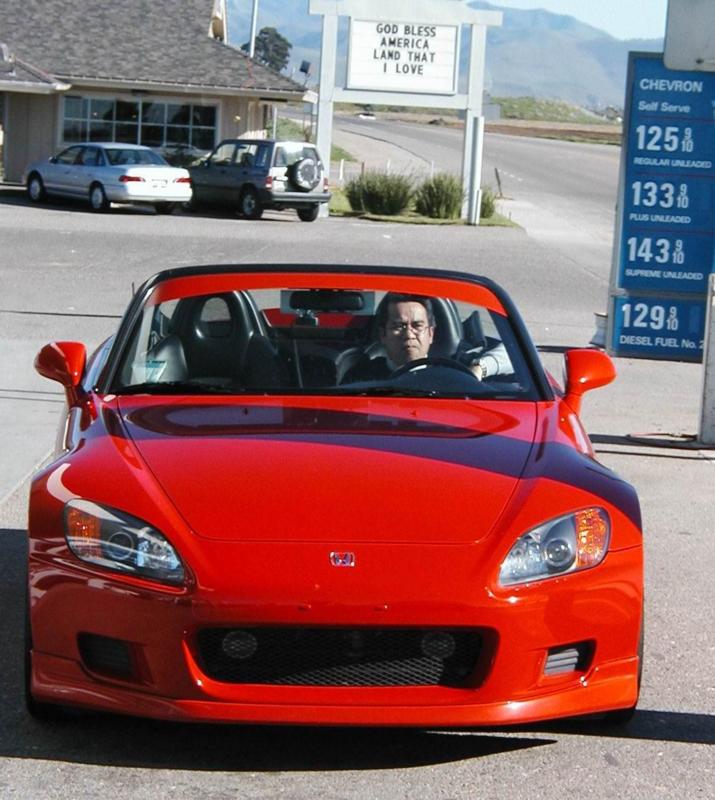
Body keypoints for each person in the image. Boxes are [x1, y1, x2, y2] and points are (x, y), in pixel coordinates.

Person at [342, 293, 508, 383]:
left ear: (430, 334)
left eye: (417, 326)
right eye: (398, 326)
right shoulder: (362, 374)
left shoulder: (455, 368)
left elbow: (515, 354)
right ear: (383, 335)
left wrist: (479, 368)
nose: (408, 335)